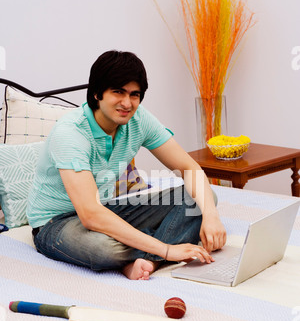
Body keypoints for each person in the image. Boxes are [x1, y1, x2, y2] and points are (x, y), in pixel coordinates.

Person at [27, 50, 226, 280]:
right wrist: (168, 249)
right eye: (118, 92)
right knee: (106, 248)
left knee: (204, 198)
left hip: (106, 209)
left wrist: (211, 217)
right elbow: (90, 215)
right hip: (56, 223)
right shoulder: (71, 133)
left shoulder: (139, 119)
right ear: (96, 94)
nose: (127, 103)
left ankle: (146, 261)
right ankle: (156, 250)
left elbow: (189, 169)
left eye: (134, 94)